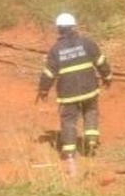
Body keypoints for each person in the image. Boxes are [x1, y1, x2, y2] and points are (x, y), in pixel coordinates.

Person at [37, 13, 112, 167]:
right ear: (74, 26)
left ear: (59, 29)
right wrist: (107, 77)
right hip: (89, 88)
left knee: (69, 120)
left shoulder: (56, 49)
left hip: (68, 93)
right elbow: (101, 61)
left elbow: (49, 72)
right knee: (90, 112)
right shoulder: (87, 43)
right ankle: (91, 141)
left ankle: (70, 151)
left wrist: (43, 89)